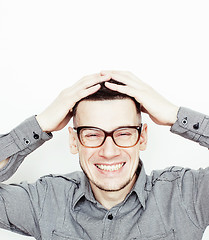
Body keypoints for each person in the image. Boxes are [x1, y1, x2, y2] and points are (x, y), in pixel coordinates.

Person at [0, 71, 208, 240]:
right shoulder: (44, 200)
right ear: (74, 141)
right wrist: (40, 124)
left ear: (142, 137)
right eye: (92, 134)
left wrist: (174, 114)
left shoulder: (187, 195)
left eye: (124, 133)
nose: (109, 152)